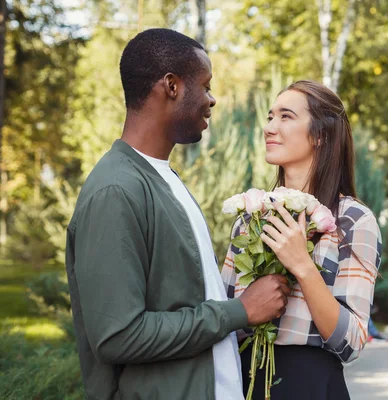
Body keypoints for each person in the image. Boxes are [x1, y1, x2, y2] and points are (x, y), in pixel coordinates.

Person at [65, 28, 291, 400]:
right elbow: (118, 335)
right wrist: (237, 312)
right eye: (205, 86)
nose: (212, 99)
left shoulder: (163, 177)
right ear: (171, 85)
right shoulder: (116, 190)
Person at [222, 80, 383, 399]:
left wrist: (303, 267)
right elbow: (224, 317)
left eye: (285, 116)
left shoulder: (352, 220)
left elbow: (351, 342)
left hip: (310, 386)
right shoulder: (250, 216)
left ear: (321, 135)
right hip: (243, 381)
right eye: (270, 117)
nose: (270, 127)